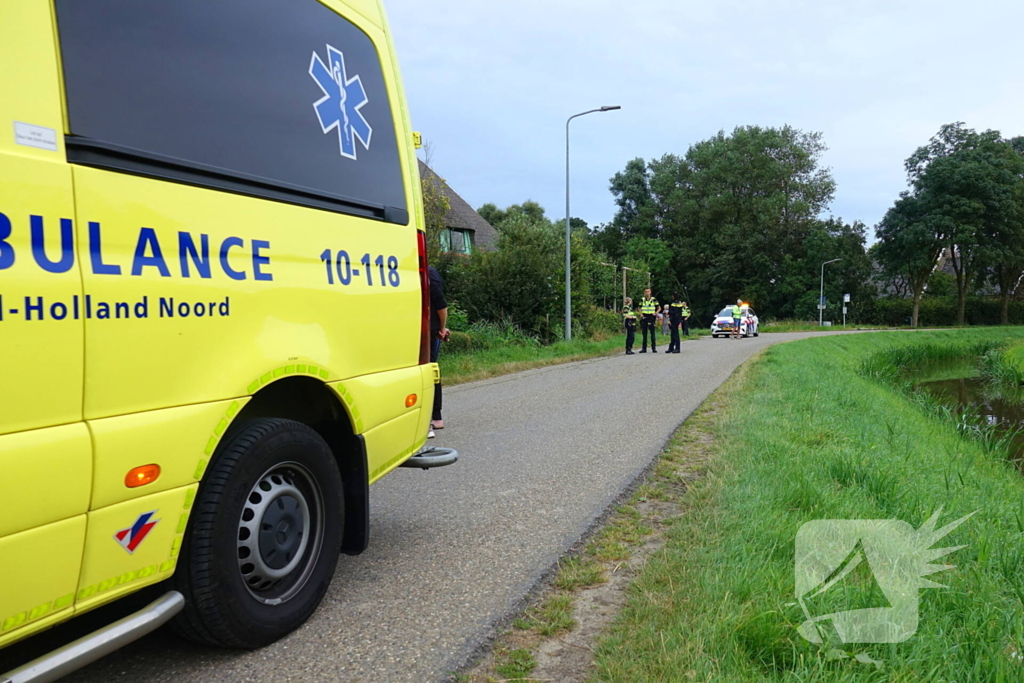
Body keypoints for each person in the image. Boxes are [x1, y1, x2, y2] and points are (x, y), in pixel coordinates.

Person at [428, 265, 450, 437]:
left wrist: (441, 328)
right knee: (431, 371)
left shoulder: (427, 273)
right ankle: (435, 417)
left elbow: (440, 304)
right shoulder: (430, 272)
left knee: (429, 371)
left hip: (428, 331)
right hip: (431, 329)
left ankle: (433, 417)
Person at [639, 288, 659, 353]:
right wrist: (641, 314)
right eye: (646, 292)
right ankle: (644, 348)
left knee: (652, 333)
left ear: (650, 292)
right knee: (644, 333)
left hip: (651, 317)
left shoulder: (653, 299)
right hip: (644, 316)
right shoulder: (642, 299)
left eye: (648, 291)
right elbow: (639, 307)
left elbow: (659, 308)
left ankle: (654, 348)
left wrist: (656, 313)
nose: (647, 293)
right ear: (644, 293)